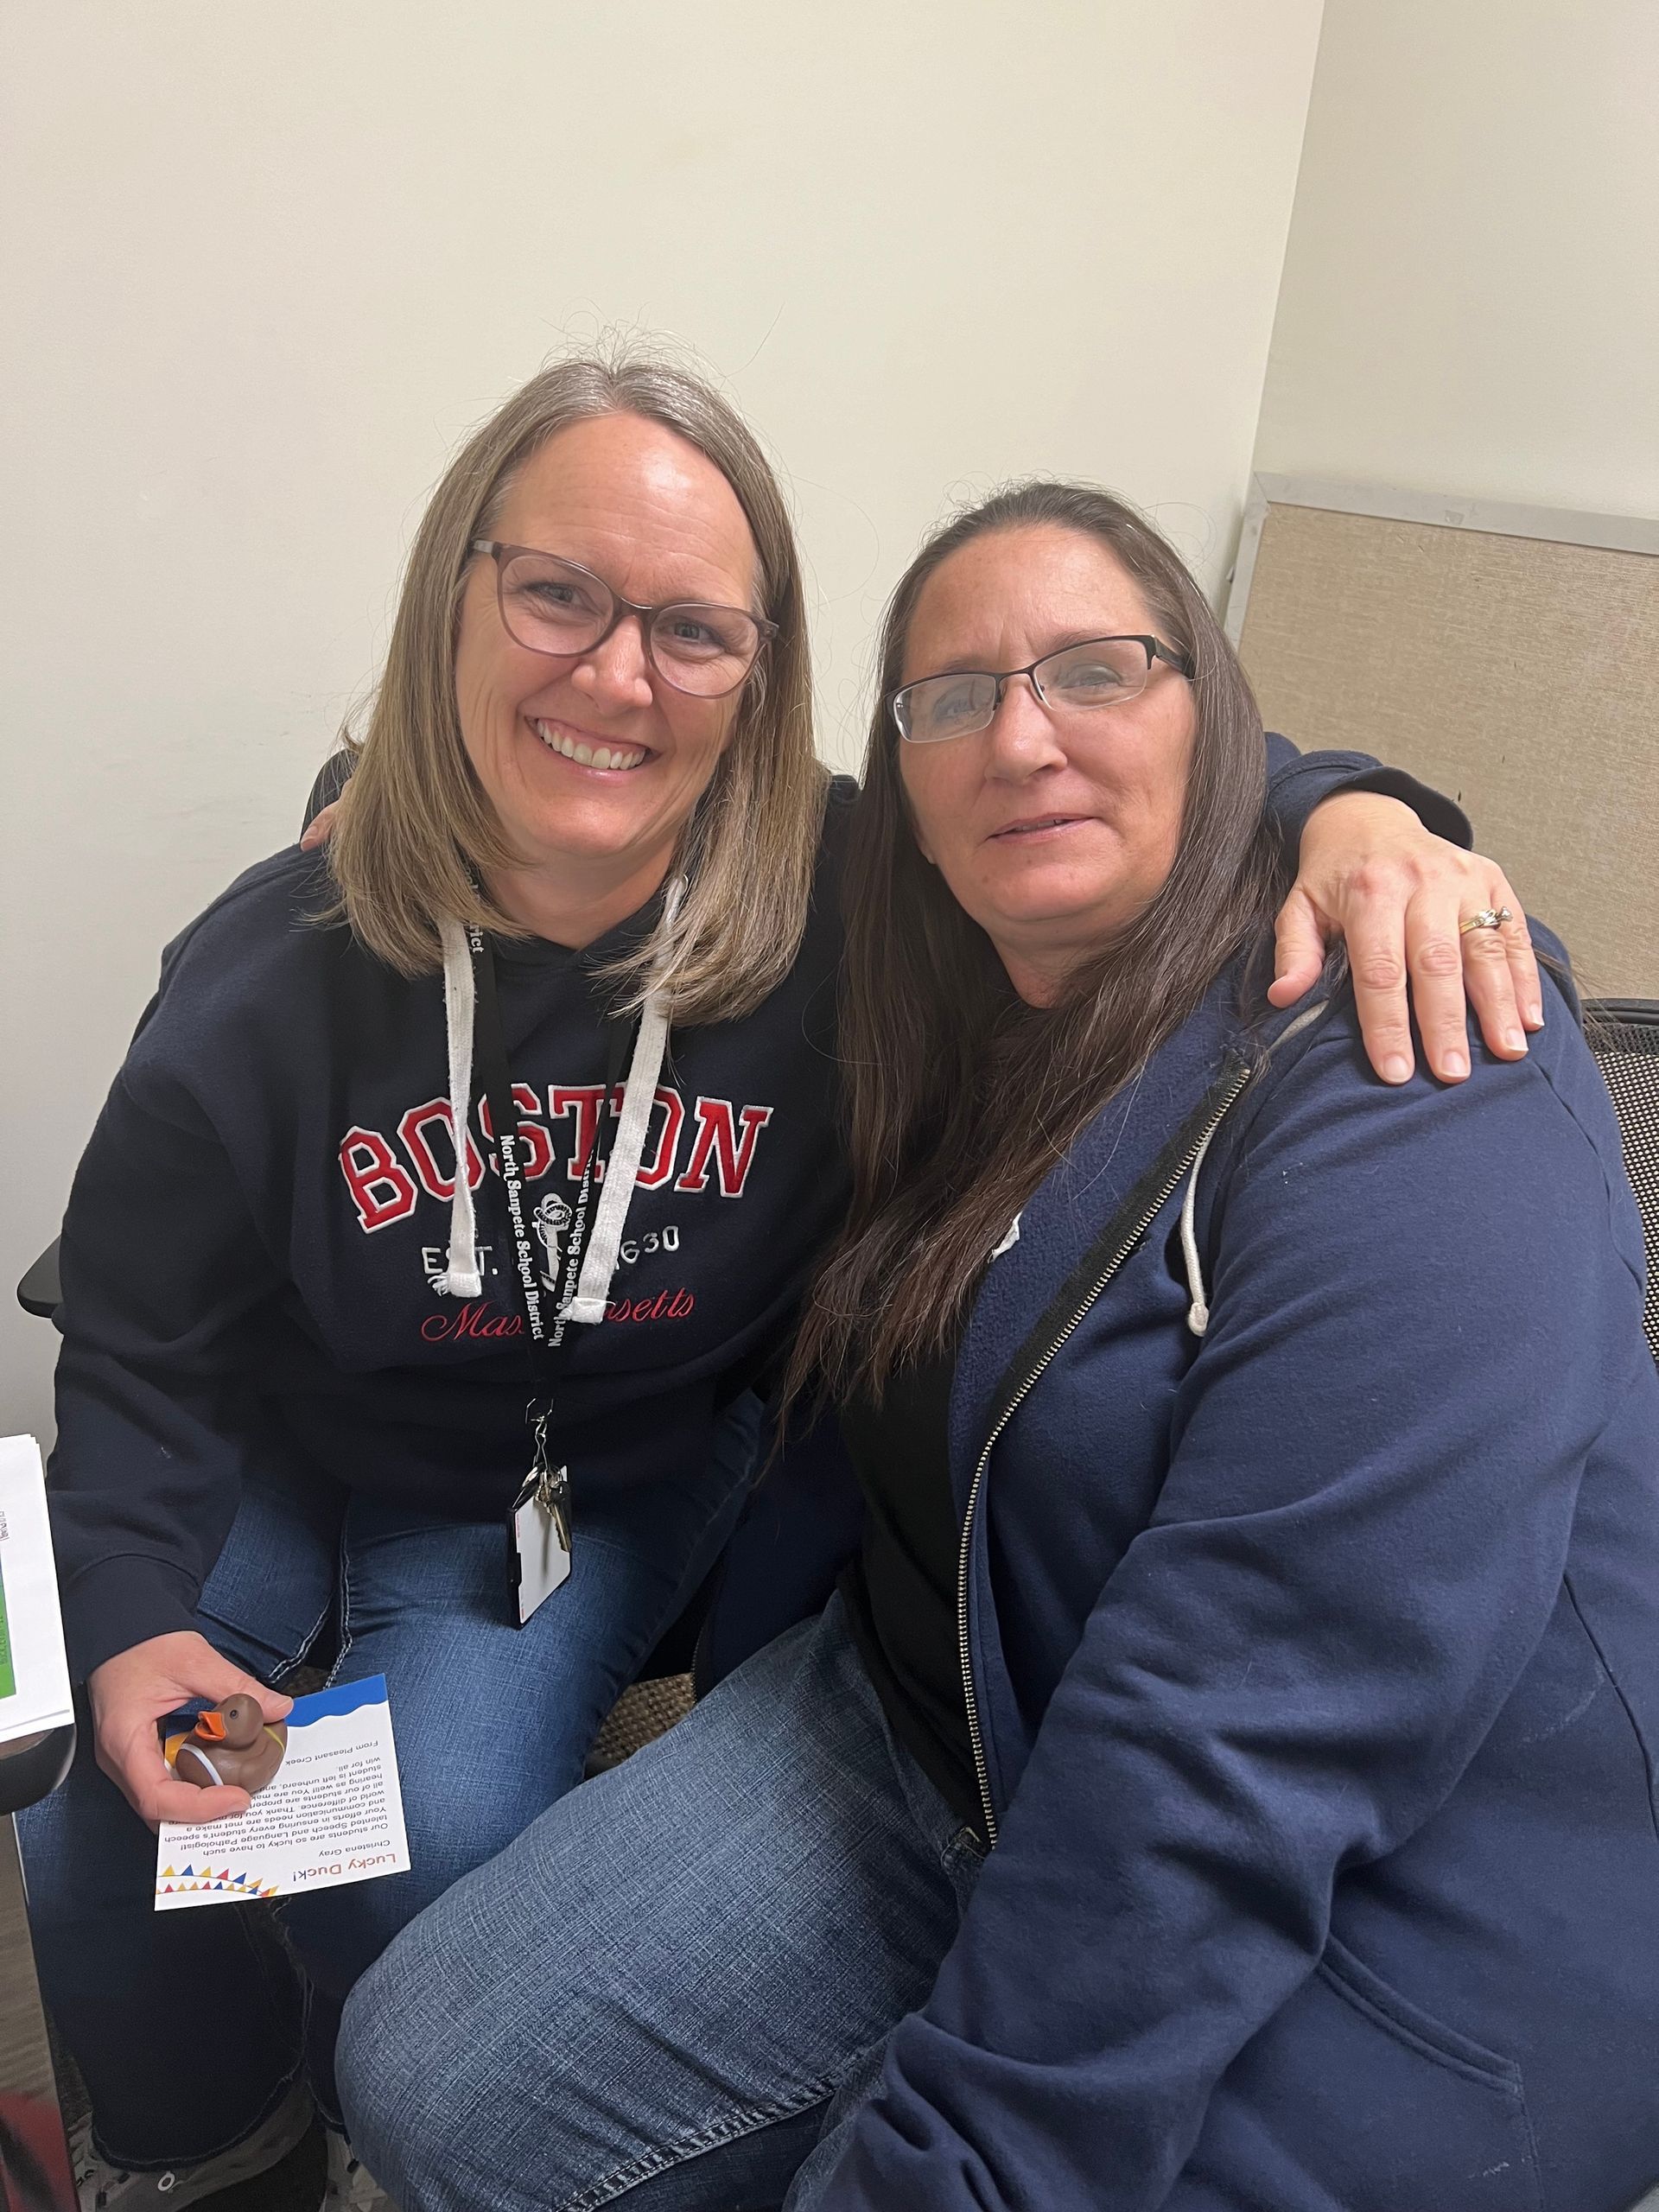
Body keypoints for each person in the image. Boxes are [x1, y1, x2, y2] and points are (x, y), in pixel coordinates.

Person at [28, 346, 1533, 2212]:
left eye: (693, 630)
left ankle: (349, 2116)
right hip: (285, 1430)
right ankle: (200, 2144)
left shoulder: (848, 902)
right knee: (95, 1824)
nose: (615, 673)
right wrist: (122, 1619)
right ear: (456, 596)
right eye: (557, 593)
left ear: (765, 679)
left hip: (569, 1490)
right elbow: (139, 1338)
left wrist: (1363, 812)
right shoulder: (266, 962)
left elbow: (1104, 780)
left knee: (412, 1832)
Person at [335, 478, 1659, 2212]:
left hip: (1393, 1885)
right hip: (928, 1716)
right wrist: (358, 831)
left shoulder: (1410, 1063)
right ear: (909, 797)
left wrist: (1355, 813)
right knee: (420, 2076)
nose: (1021, 736)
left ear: (1222, 722)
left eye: (1097, 671)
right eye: (953, 697)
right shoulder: (920, 981)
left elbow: (1239, 1735)